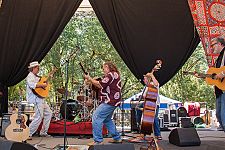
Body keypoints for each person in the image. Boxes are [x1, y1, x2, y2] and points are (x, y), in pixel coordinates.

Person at [84, 61, 122, 145]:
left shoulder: (111, 74)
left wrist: (90, 79)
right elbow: (101, 85)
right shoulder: (114, 75)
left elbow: (100, 85)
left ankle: (98, 141)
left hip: (110, 101)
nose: (103, 70)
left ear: (108, 67)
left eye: (104, 67)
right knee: (107, 119)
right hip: (114, 101)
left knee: (96, 116)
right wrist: (90, 80)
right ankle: (117, 138)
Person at [26, 61, 52, 139]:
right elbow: (32, 85)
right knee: (39, 117)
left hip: (41, 98)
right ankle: (28, 133)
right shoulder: (30, 76)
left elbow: (43, 83)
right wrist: (42, 85)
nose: (39, 69)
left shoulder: (36, 77)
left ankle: (43, 132)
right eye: (37, 68)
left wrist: (49, 78)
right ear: (33, 68)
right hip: (35, 99)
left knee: (49, 113)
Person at [135, 72, 162, 140]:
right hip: (147, 103)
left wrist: (152, 75)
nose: (143, 80)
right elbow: (144, 96)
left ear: (148, 79)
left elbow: (156, 83)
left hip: (154, 103)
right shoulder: (146, 87)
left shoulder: (153, 84)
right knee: (138, 109)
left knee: (154, 118)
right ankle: (142, 129)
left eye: (144, 79)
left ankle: (158, 134)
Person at [211, 37, 225, 131]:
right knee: (219, 115)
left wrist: (223, 73)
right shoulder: (219, 57)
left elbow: (221, 73)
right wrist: (202, 76)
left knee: (224, 117)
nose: (212, 47)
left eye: (213, 45)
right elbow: (216, 75)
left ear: (220, 44)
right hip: (219, 91)